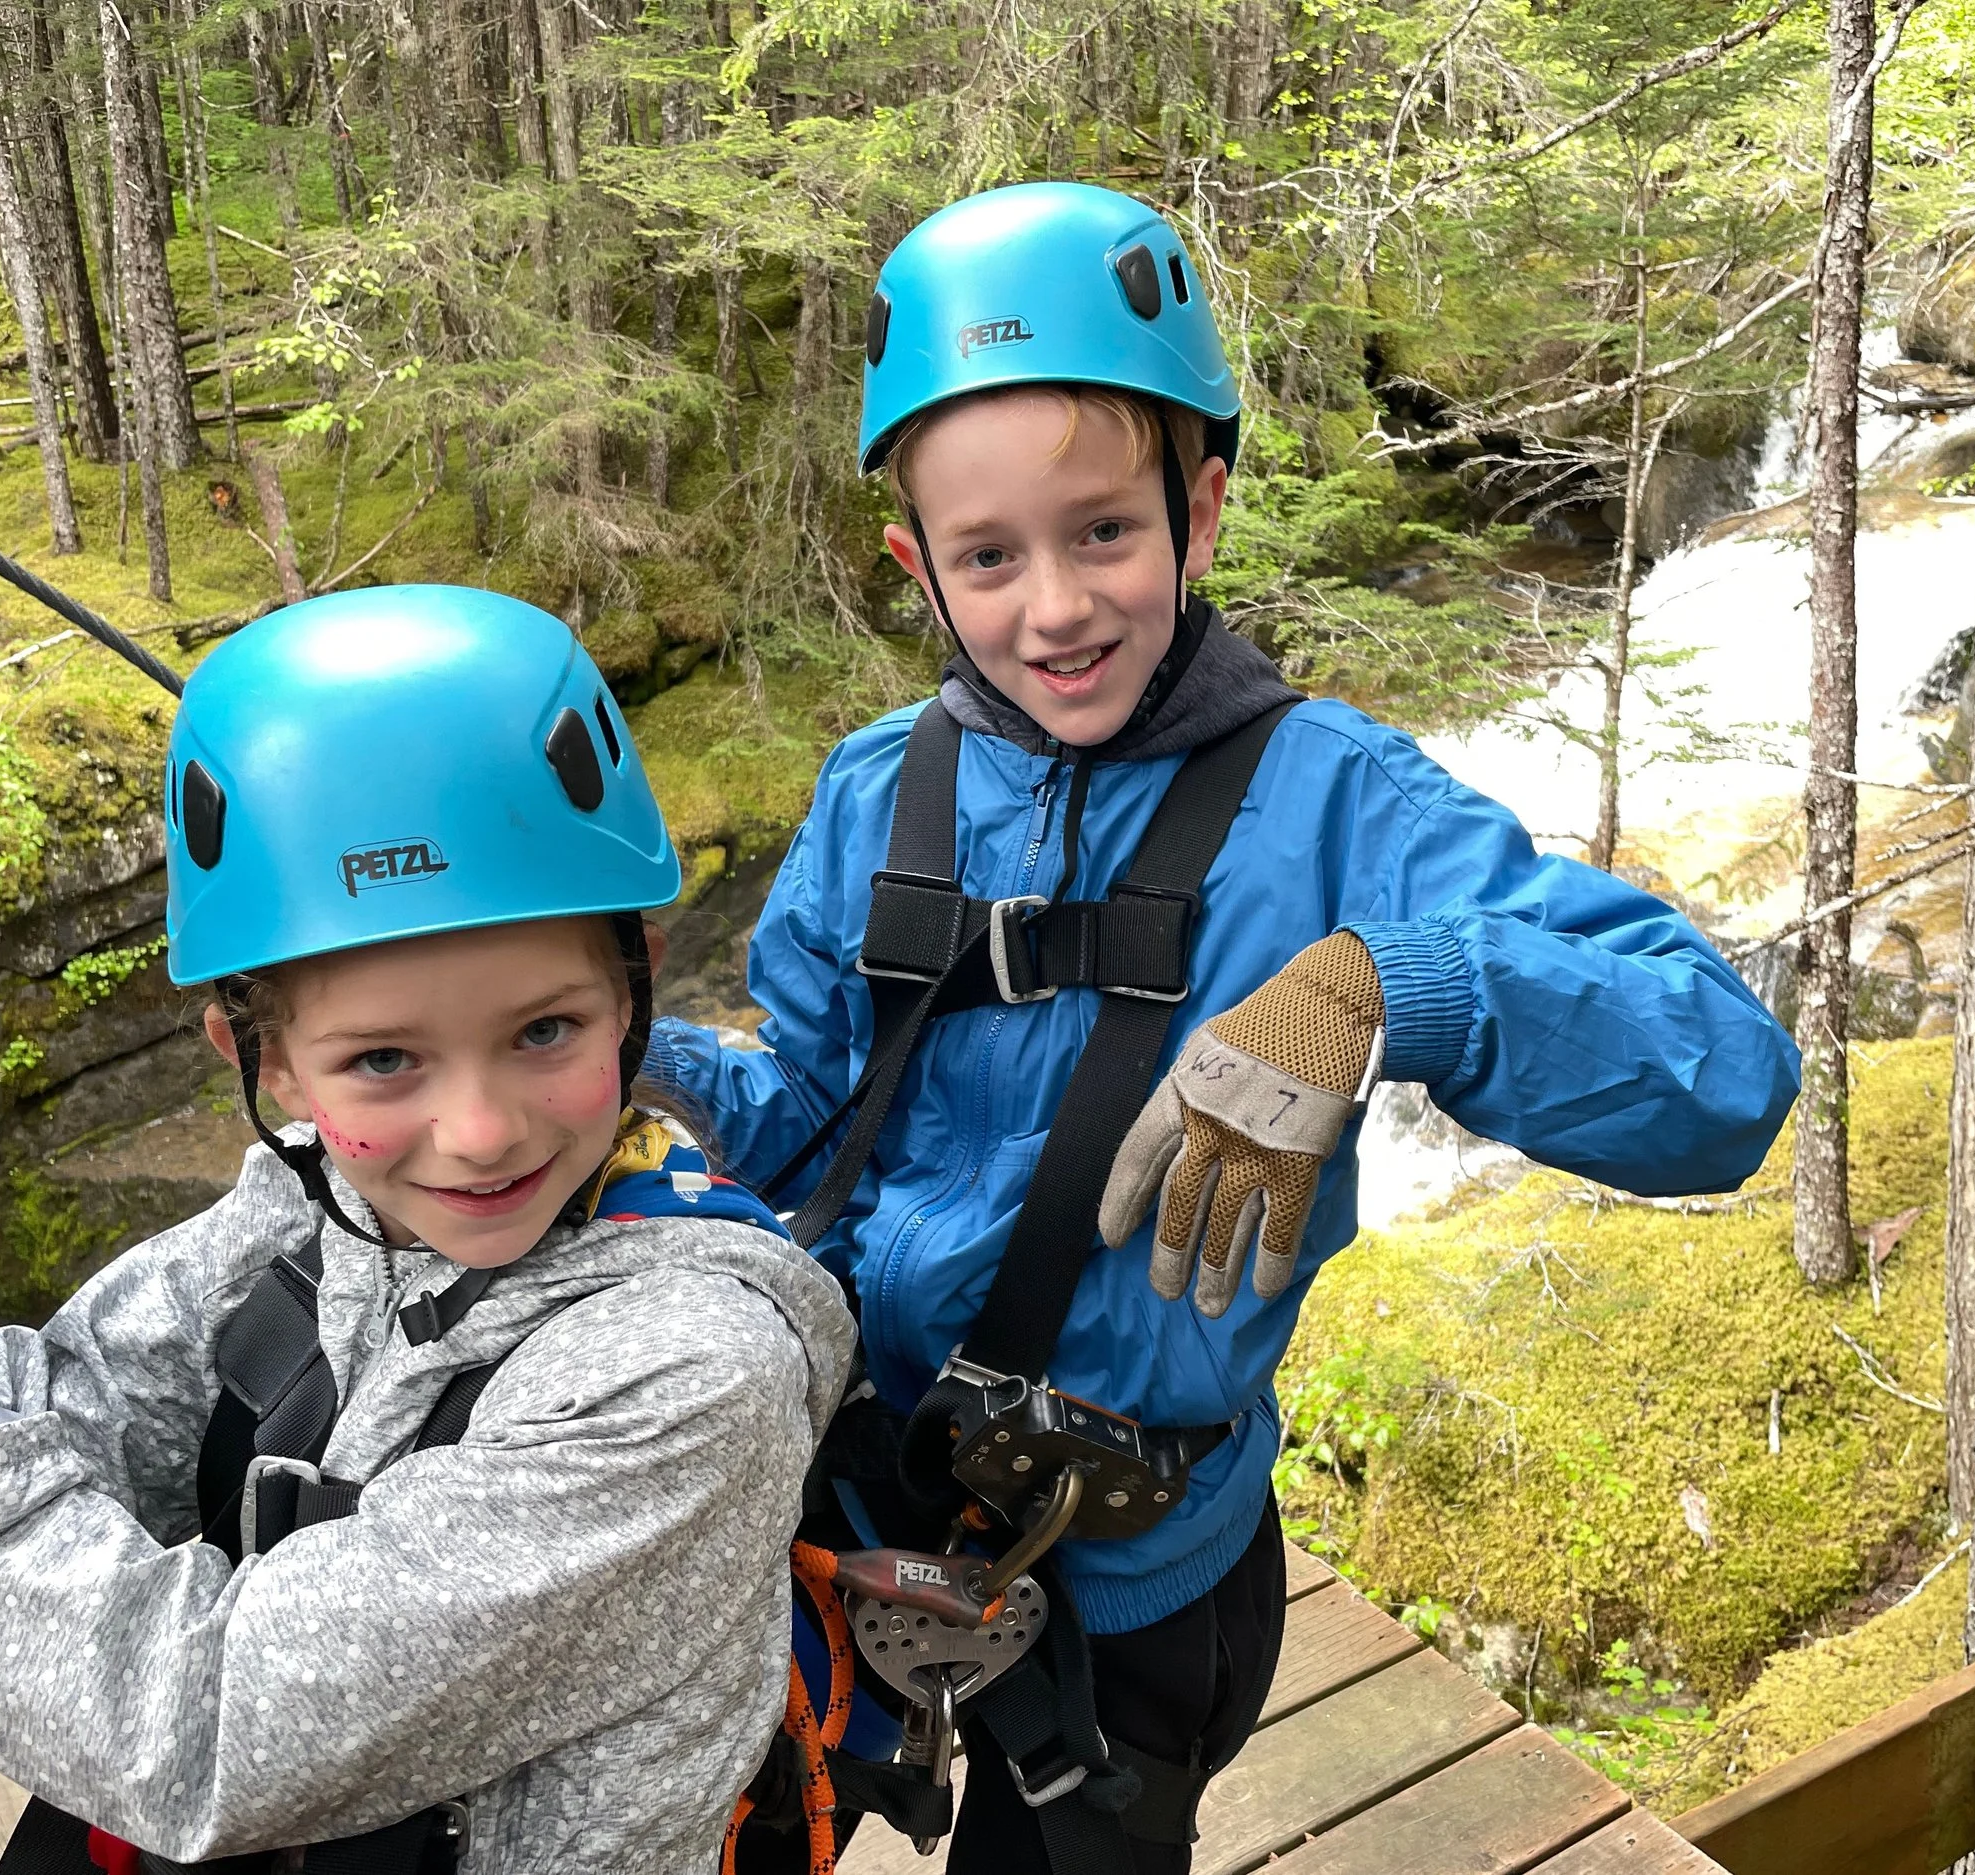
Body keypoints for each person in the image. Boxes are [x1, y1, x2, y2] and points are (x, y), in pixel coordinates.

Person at [650, 183, 1803, 1874]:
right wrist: (652, 1077)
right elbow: (819, 1121)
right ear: (918, 567)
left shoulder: (1336, 804)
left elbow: (1724, 1069)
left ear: (1198, 512)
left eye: (1103, 530)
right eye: (990, 556)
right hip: (869, 1516)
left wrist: (1398, 985)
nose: (1055, 607)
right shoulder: (875, 794)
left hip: (1136, 1581)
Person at [0, 586, 856, 1874]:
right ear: (269, 1067)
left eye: (545, 1032)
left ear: (636, 996)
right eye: (384, 1061)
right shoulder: (298, 1219)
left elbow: (208, 1728)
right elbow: (42, 1423)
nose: (480, 1131)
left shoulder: (690, 1376)